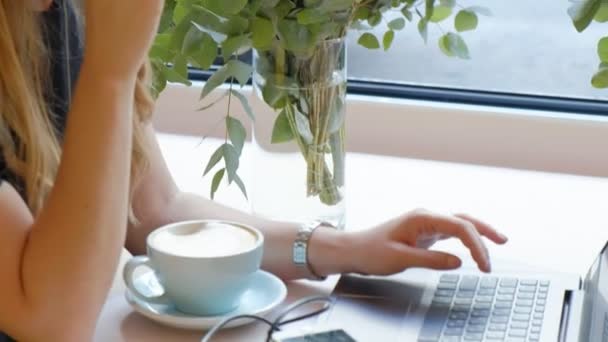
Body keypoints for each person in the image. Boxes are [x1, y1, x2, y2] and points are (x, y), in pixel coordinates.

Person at [0, 0, 508, 341]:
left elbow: (155, 210)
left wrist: (346, 248)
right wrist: (110, 72)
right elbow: (51, 321)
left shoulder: (47, 13)